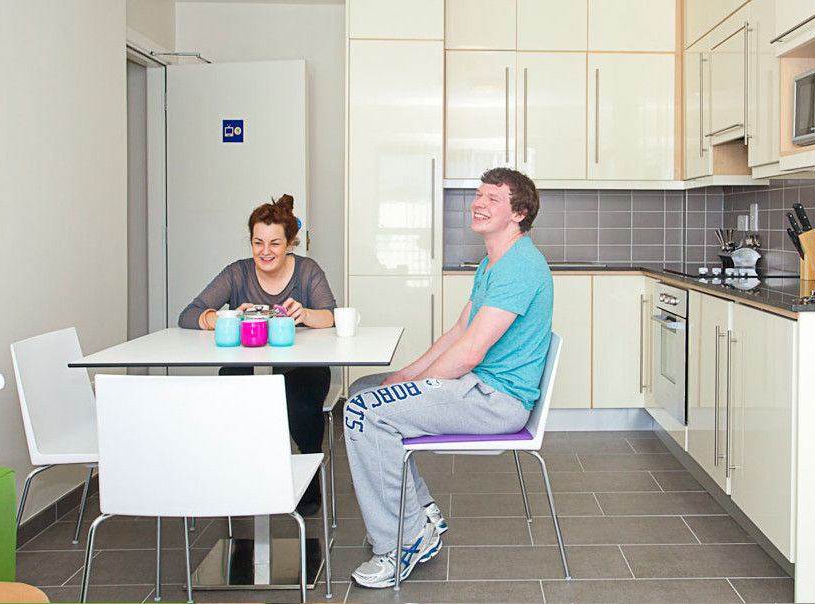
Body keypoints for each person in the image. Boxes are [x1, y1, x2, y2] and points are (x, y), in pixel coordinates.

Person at [344, 167, 553, 588]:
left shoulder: (520, 266)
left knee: (364, 412)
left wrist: (411, 387)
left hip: (495, 400)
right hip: (476, 387)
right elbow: (459, 332)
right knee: (365, 389)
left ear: (519, 213)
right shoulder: (494, 262)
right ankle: (418, 513)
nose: (478, 203)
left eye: (493, 198)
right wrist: (404, 375)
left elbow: (471, 353)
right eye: (478, 195)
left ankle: (405, 540)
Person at [179, 194, 336, 516]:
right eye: (258, 242)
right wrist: (226, 318)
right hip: (245, 364)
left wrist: (305, 314)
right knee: (234, 402)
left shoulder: (307, 271)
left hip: (300, 367)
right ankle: (243, 481)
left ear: (289, 244)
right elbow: (189, 315)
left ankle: (307, 485)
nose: (265, 251)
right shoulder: (236, 273)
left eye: (275, 243)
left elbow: (329, 316)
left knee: (301, 405)